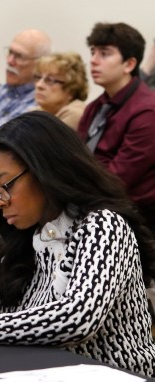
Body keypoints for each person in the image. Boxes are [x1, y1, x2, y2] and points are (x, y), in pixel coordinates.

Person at [0, 111, 155, 377]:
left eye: (5, 186)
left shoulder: (103, 226)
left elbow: (77, 318)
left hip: (117, 378)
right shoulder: (31, 231)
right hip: (45, 373)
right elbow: (5, 304)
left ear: (46, 171)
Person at [77, 22, 155, 231]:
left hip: (132, 221)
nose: (93, 61)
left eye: (104, 54)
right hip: (93, 205)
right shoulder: (96, 106)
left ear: (129, 64)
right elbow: (77, 157)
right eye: (93, 52)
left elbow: (118, 179)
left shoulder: (147, 112)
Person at [33, 52, 88, 130]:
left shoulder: (74, 114)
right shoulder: (37, 111)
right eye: (38, 77)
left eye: (49, 80)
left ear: (71, 89)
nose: (39, 85)